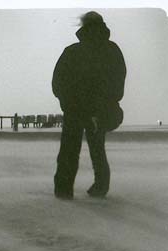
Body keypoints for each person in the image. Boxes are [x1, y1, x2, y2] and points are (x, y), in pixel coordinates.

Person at [52, 11, 126, 199]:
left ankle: (63, 190)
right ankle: (100, 188)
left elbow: (58, 82)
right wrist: (107, 103)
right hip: (100, 109)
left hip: (75, 109)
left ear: (83, 27)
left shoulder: (72, 51)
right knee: (97, 149)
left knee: (69, 150)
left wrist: (67, 103)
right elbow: (118, 82)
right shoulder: (112, 50)